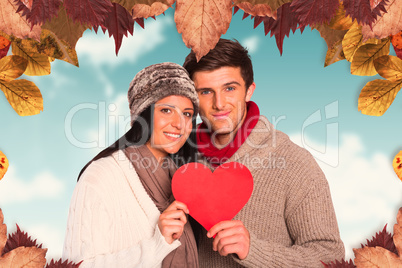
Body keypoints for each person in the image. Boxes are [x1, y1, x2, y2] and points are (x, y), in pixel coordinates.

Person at [183, 39, 345, 267]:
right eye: (206, 91)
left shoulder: (295, 163)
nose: (219, 103)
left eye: (229, 88)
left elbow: (330, 257)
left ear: (249, 91)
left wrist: (254, 251)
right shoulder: (178, 161)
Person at [62, 62, 200, 267]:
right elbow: (77, 265)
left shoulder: (183, 182)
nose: (179, 124)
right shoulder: (101, 176)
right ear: (143, 115)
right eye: (166, 110)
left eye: (187, 114)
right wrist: (157, 244)